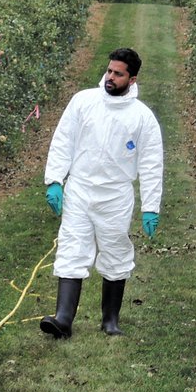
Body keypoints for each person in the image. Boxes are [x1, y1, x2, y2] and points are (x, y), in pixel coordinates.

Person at [40, 47, 164, 338]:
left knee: (115, 251)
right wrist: (55, 180)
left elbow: (151, 164)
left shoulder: (142, 118)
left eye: (118, 74)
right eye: (109, 70)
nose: (110, 77)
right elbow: (63, 141)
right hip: (80, 189)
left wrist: (151, 207)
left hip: (116, 196)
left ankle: (110, 320)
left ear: (132, 79)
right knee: (72, 247)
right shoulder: (84, 101)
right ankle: (63, 319)